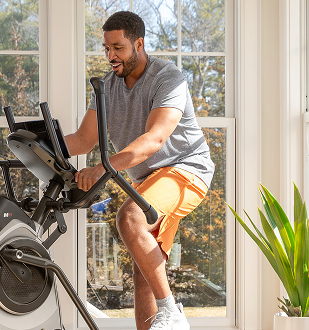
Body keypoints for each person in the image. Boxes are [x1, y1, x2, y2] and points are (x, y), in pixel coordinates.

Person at [62, 11, 215, 330]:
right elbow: (83, 140)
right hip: (147, 179)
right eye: (106, 48)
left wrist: (104, 168)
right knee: (145, 262)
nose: (110, 55)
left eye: (117, 47)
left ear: (139, 43)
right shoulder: (105, 87)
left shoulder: (167, 77)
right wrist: (37, 147)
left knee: (130, 218)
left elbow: (155, 138)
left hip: (186, 168)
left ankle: (172, 312)